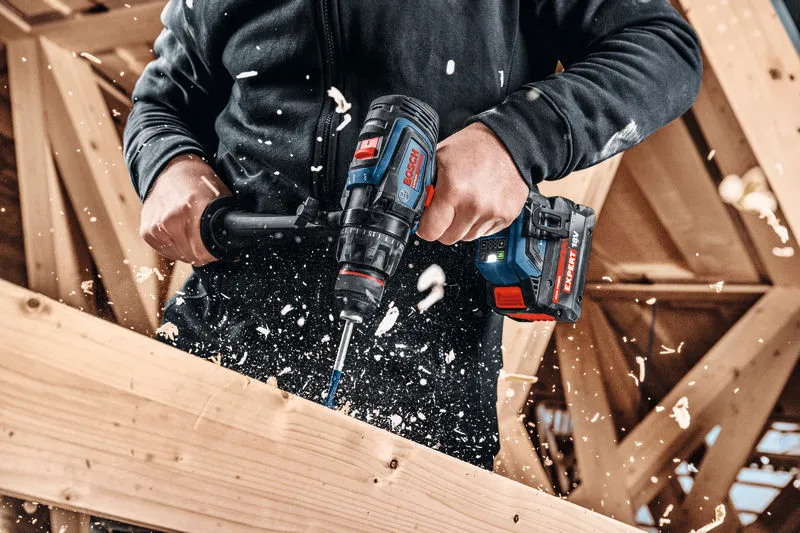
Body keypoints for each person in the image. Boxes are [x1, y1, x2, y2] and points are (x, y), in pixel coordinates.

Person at [124, 0, 701, 470]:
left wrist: (515, 139)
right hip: (227, 328)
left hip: (428, 356)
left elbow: (661, 44)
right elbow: (161, 102)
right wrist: (169, 163)